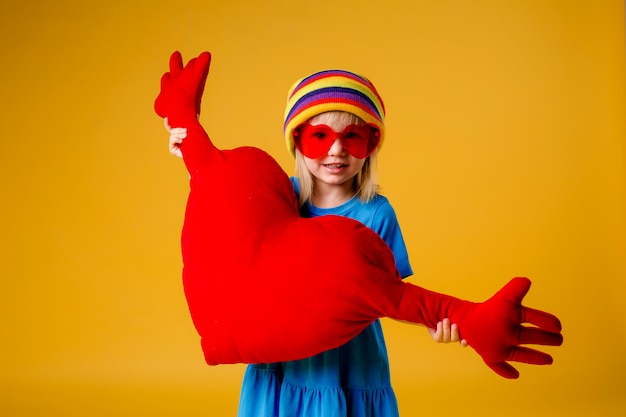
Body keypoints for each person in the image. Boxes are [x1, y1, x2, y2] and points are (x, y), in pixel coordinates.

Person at [166, 68, 467, 417]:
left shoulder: (376, 213)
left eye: (352, 137)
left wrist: (436, 324)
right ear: (297, 141)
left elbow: (393, 297)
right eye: (319, 136)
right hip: (281, 365)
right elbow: (223, 200)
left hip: (350, 367)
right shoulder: (277, 198)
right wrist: (187, 152)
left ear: (371, 144)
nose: (336, 151)